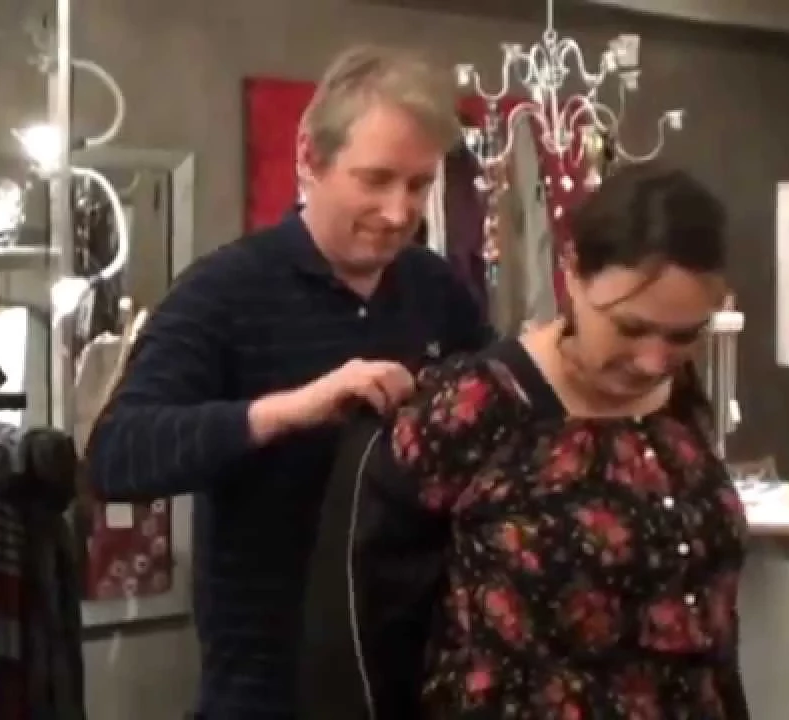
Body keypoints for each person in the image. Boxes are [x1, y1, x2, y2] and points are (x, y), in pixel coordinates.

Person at [85, 45, 492, 719]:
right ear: (309, 157)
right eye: (375, 179)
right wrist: (288, 412)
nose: (399, 212)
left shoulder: (438, 291)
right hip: (267, 696)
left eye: (418, 185)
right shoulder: (223, 291)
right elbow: (116, 456)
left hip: (415, 684)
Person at [300, 162, 750, 718]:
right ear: (573, 273)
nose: (654, 361)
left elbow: (710, 624)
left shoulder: (678, 402)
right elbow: (364, 619)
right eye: (630, 328)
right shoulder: (479, 406)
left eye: (684, 335)